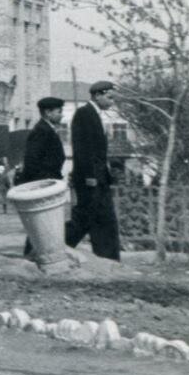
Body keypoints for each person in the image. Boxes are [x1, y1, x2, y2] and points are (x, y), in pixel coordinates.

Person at [68, 81, 124, 260]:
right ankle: (47, 246)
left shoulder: (96, 115)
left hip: (100, 178)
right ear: (97, 95)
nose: (112, 102)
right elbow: (82, 149)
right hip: (90, 179)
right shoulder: (84, 114)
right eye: (109, 97)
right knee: (85, 219)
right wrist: (90, 177)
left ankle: (109, 259)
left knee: (103, 219)